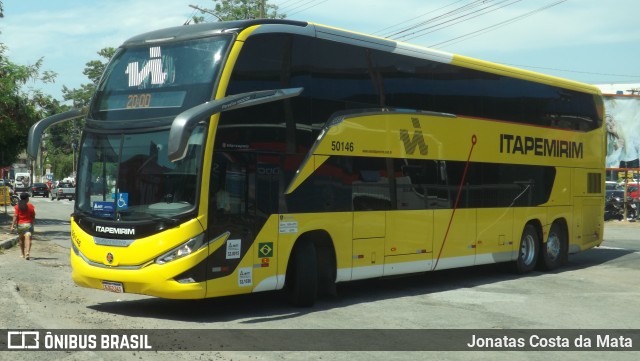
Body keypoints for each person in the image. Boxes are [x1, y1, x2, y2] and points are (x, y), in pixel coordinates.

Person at [10, 193, 36, 260]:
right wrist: (32, 223)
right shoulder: (30, 206)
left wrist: (12, 225)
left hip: (20, 225)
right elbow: (33, 216)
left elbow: (15, 216)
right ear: (27, 198)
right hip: (28, 225)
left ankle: (22, 254)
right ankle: (27, 252)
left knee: (21, 239)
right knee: (29, 238)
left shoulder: (17, 206)